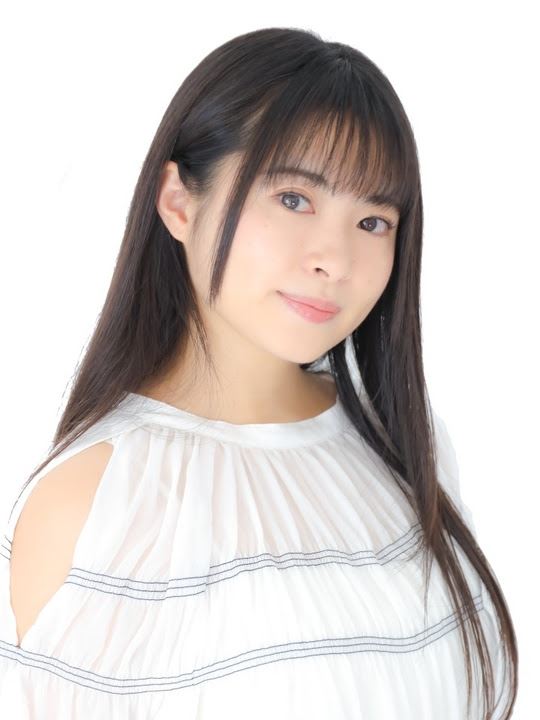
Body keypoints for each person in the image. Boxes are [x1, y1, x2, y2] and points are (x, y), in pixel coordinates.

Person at [0, 26, 516, 719]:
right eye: (294, 199)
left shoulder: (403, 441)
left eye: (373, 221)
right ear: (179, 201)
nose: (334, 259)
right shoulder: (96, 501)